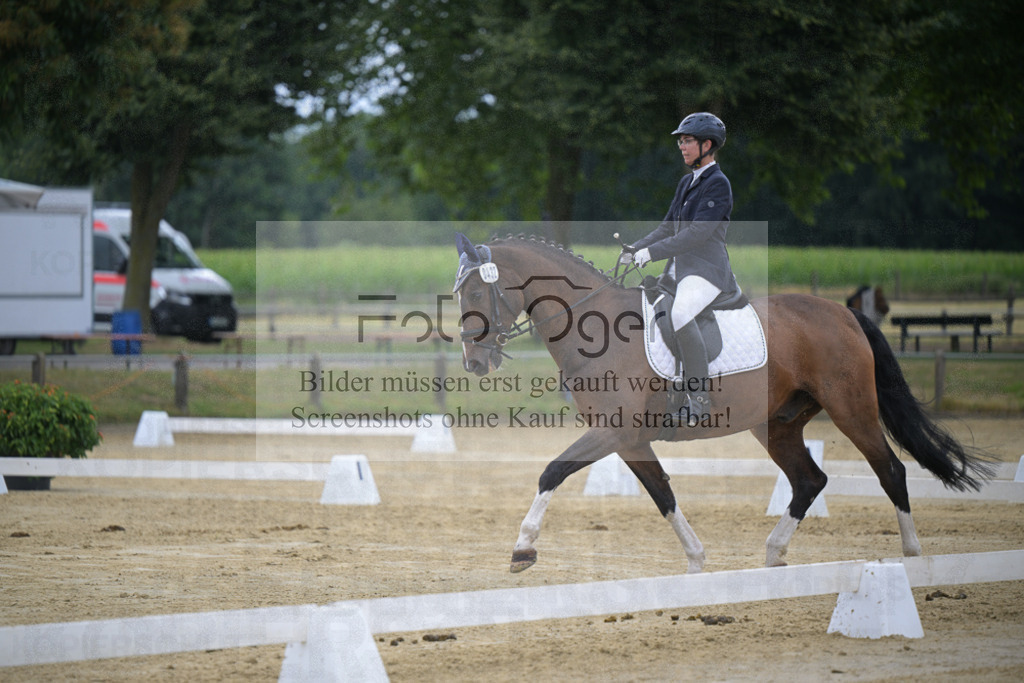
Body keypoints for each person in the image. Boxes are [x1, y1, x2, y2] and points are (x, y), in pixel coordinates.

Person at [620, 112, 740, 417]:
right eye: (681, 142)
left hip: (706, 271)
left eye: (687, 141)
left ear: (707, 145)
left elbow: (698, 234)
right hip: (678, 269)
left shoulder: (718, 184)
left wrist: (653, 254)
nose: (682, 147)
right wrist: (637, 248)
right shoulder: (687, 182)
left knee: (682, 313)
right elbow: (666, 228)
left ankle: (699, 399)